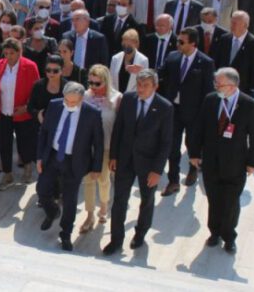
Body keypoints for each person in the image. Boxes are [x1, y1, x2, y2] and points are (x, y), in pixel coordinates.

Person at [190, 67, 254, 254]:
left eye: (219, 84)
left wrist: (253, 162)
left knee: (230, 202)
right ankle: (214, 232)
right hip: (211, 161)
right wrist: (194, 153)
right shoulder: (210, 100)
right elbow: (199, 127)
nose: (216, 87)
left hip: (235, 163)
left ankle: (229, 236)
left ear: (232, 85)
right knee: (214, 199)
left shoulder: (248, 104)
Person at [103, 69, 173, 255]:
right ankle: (116, 240)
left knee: (146, 200)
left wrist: (157, 170)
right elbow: (118, 128)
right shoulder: (128, 99)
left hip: (148, 164)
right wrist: (114, 156)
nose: (141, 89)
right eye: (139, 85)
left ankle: (140, 234)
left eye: (146, 86)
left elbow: (166, 142)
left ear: (155, 87)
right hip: (125, 160)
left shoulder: (165, 107)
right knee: (119, 200)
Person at [36, 82, 104, 251]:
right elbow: (44, 132)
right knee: (42, 189)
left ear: (81, 99)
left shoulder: (92, 114)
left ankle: (65, 233)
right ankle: (52, 212)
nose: (69, 104)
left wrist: (96, 167)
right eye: (67, 101)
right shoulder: (54, 105)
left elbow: (98, 142)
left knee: (70, 199)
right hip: (53, 156)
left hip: (75, 162)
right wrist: (39, 157)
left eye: (73, 102)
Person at [157, 27, 214, 197]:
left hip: (194, 113)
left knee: (192, 145)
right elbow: (161, 76)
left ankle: (192, 170)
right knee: (172, 146)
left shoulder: (205, 63)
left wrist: (204, 116)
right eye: (177, 41)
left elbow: (208, 91)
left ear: (193, 43)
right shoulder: (172, 57)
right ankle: (173, 180)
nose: (178, 44)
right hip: (173, 110)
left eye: (182, 42)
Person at [0, 38, 40, 190]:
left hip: (21, 113)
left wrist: (26, 107)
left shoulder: (30, 66)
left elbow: (36, 91)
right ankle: (7, 174)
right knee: (5, 143)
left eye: (12, 53)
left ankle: (27, 167)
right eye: (5, 53)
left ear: (19, 52)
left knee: (24, 143)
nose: (8, 56)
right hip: (4, 112)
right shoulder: (0, 65)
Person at [80, 65, 122, 233]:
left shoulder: (117, 98)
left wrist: (116, 153)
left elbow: (120, 126)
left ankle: (104, 205)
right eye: (90, 83)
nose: (93, 87)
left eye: (97, 84)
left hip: (106, 146)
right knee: (88, 180)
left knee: (103, 179)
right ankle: (89, 215)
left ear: (106, 81)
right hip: (88, 147)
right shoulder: (85, 96)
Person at [214, 11, 254, 98]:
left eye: (235, 23)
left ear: (245, 25)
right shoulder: (224, 39)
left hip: (241, 91)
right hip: (221, 88)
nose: (231, 26)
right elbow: (217, 61)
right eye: (231, 22)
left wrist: (251, 90)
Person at [110, 29, 148, 93]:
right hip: (116, 97)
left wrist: (140, 72)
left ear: (136, 43)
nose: (126, 47)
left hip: (133, 97)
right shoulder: (115, 58)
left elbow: (144, 81)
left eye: (129, 45)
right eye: (124, 45)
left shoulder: (143, 60)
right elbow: (111, 80)